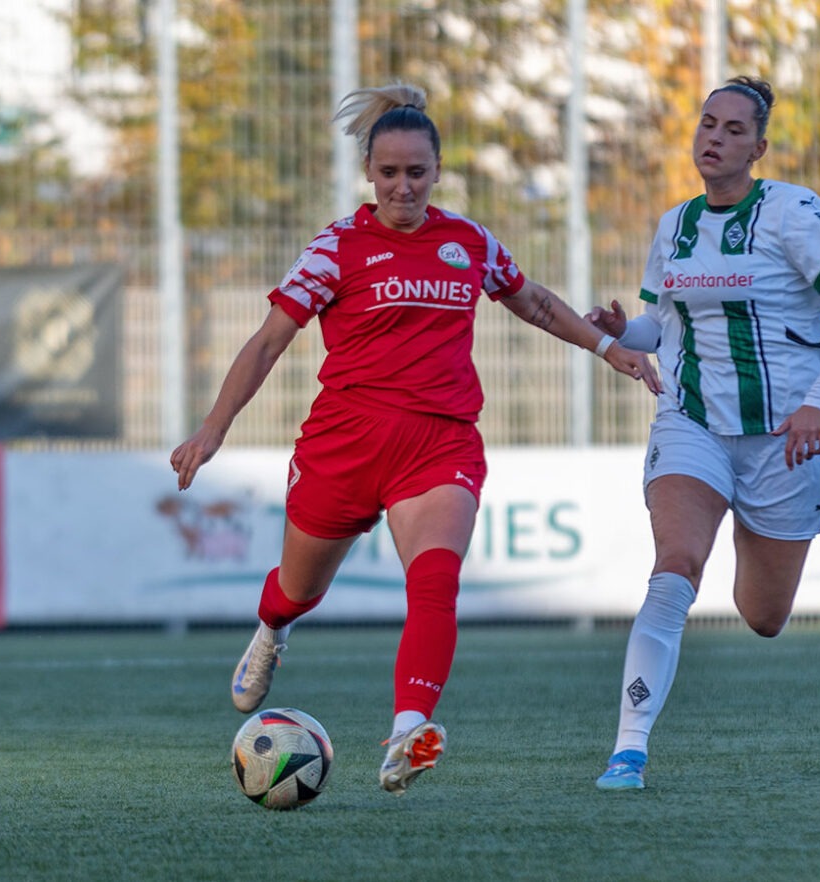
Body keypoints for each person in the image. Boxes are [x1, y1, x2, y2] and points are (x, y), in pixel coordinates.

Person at [169, 83, 660, 796]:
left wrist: (605, 346)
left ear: (437, 171)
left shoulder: (469, 243)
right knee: (297, 591)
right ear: (369, 173)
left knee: (435, 581)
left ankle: (409, 731)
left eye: (417, 172)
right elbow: (269, 341)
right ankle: (272, 629)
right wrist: (213, 428)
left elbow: (532, 301)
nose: (403, 186)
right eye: (390, 172)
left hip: (439, 444)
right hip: (344, 446)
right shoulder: (336, 248)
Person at [588, 76, 820, 790]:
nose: (714, 138)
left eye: (734, 129)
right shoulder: (675, 225)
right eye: (707, 123)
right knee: (676, 565)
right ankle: (628, 751)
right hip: (692, 422)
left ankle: (754, 521)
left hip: (784, 438)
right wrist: (622, 329)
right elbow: (660, 328)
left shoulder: (794, 212)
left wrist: (817, 404)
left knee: (764, 615)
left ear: (759, 148)